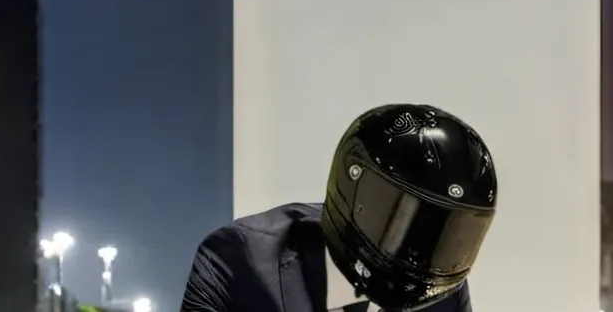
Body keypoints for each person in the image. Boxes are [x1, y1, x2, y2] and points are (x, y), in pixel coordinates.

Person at [182, 104, 497, 311]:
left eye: (442, 232)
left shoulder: (444, 294)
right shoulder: (237, 259)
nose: (420, 253)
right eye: (402, 219)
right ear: (354, 184)